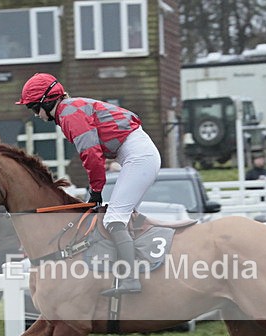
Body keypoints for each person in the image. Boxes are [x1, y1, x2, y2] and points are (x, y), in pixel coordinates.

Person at [15, 72, 161, 296]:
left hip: (139, 157)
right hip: (137, 154)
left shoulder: (69, 114)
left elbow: (91, 155)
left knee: (113, 219)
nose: (36, 114)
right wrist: (95, 190)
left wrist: (95, 191)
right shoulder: (70, 109)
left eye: (34, 108)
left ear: (47, 101)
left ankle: (131, 280)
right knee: (118, 218)